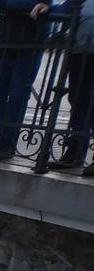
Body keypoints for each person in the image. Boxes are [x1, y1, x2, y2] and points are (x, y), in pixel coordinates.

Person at [0, 0, 53, 162]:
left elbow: (35, 5)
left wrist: (0, 2)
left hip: (29, 47)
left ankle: (7, 145)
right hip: (5, 45)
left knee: (17, 97)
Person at [49, 0, 94, 174]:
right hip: (78, 52)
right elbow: (65, 9)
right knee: (77, 102)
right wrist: (47, 8)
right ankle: (75, 153)